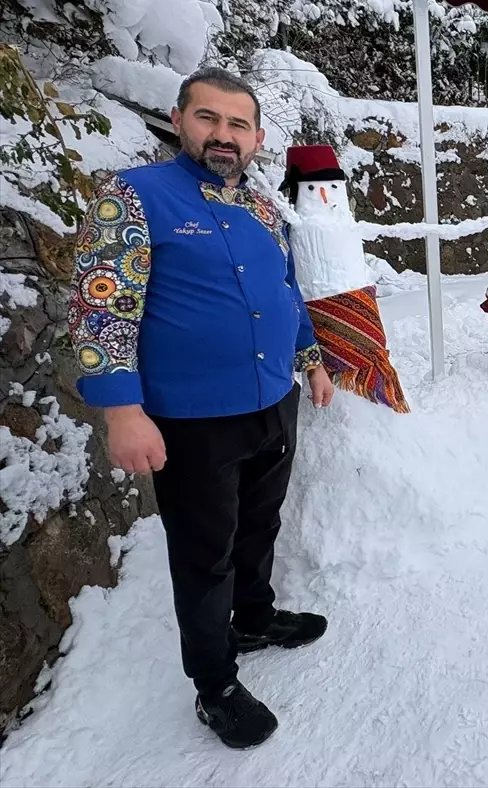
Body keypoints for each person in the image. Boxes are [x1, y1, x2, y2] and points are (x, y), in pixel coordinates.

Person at [68, 67, 335, 749]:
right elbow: (104, 306)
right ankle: (214, 683)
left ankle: (253, 618)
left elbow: (286, 291)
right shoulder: (134, 196)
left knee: (259, 524)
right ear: (179, 119)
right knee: (203, 553)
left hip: (274, 399)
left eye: (238, 124)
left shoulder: (266, 209)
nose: (224, 134)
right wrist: (122, 410)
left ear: (257, 138)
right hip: (191, 420)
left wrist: (309, 361)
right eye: (209, 118)